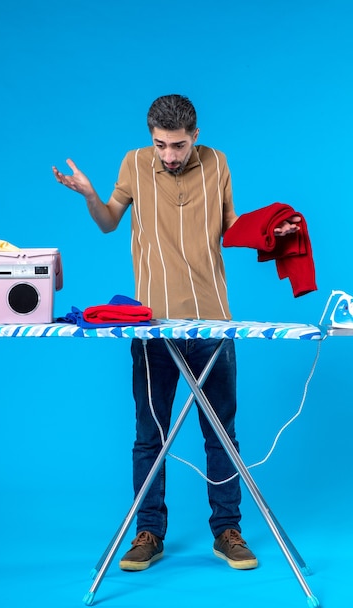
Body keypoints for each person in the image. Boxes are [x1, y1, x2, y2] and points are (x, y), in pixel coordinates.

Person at [53, 95, 300, 572]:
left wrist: (276, 230)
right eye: (161, 144)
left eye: (179, 145)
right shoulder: (134, 163)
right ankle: (149, 532)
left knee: (221, 433)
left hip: (213, 321)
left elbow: (232, 228)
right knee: (150, 436)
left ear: (196, 136)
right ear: (151, 138)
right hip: (151, 325)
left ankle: (228, 530)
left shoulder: (217, 163)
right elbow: (108, 223)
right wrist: (89, 194)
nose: (170, 154)